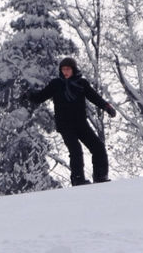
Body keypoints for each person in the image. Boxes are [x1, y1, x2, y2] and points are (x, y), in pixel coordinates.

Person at [29, 57, 116, 186]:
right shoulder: (56, 84)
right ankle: (78, 179)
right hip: (65, 125)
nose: (65, 72)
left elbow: (94, 97)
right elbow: (40, 97)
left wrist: (107, 106)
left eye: (68, 69)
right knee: (75, 150)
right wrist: (28, 95)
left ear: (73, 70)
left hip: (81, 123)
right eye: (63, 69)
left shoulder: (82, 83)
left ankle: (100, 177)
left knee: (98, 147)